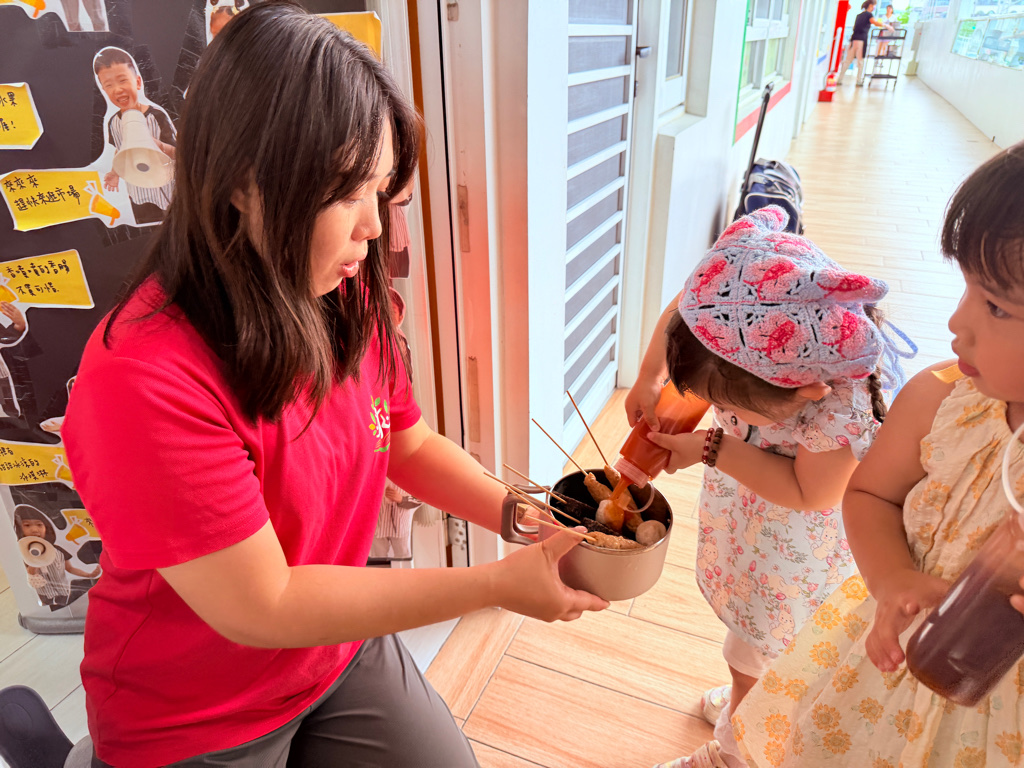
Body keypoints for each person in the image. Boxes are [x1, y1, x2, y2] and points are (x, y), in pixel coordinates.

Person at [62, 5, 606, 767]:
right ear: (243, 183)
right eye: (349, 193)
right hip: (194, 709)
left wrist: (527, 518)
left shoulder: (341, 292)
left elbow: (408, 443)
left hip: (332, 647)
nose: (374, 227)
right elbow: (265, 604)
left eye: (383, 193)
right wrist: (494, 585)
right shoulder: (143, 378)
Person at [733, 143, 1024, 767]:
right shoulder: (942, 399)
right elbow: (869, 493)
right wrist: (892, 577)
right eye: (968, 289)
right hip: (890, 660)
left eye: (997, 306)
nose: (957, 322)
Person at [626, 206, 908, 768]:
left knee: (766, 648)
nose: (712, 409)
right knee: (751, 640)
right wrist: (651, 376)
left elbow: (809, 493)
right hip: (755, 518)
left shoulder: (842, 404)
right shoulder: (733, 302)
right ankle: (747, 700)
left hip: (796, 549)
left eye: (722, 403)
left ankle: (739, 749)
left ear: (803, 394)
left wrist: (710, 447)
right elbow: (682, 310)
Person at [94, 47, 177, 225]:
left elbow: (179, 153)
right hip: (138, 192)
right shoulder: (114, 123)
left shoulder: (156, 116)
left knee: (171, 225)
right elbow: (120, 150)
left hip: (165, 191)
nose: (117, 90)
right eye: (109, 85)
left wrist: (161, 147)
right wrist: (115, 173)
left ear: (138, 82)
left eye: (122, 80)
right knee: (147, 229)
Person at [14, 504, 100, 610]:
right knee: (53, 611)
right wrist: (34, 560)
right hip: (44, 595)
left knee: (70, 609)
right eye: (27, 525)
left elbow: (70, 568)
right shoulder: (22, 553)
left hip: (63, 593)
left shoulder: (58, 550)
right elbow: (30, 576)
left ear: (46, 527)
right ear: (19, 529)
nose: (34, 529)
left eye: (39, 525)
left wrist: (88, 575)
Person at [837, 1, 893, 86]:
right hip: (861, 40)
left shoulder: (859, 15)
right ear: (870, 5)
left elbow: (855, 27)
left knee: (848, 60)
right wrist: (887, 26)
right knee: (860, 61)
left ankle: (840, 79)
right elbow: (875, 22)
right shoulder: (869, 15)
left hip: (853, 40)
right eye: (874, 6)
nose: (874, 8)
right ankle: (859, 81)